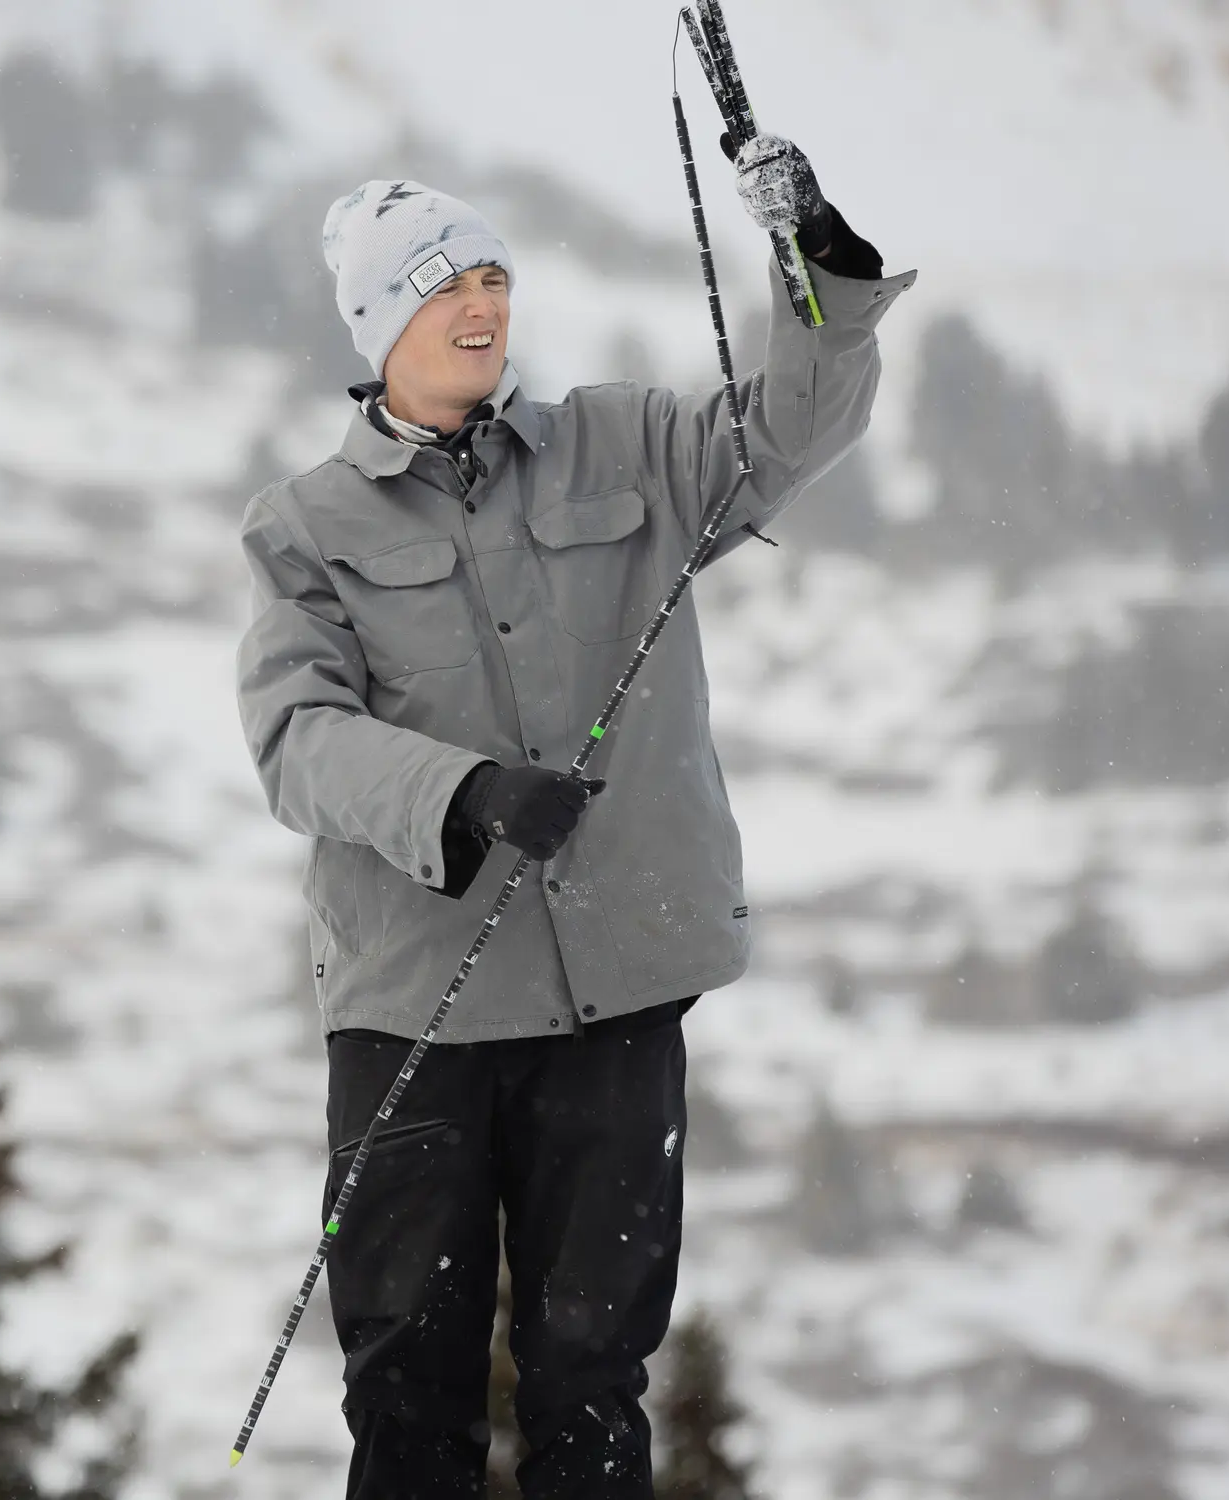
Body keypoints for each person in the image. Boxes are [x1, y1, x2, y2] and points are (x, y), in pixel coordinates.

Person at [233, 140, 914, 1499]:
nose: (480, 308)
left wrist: (817, 264)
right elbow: (292, 739)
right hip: (411, 1013)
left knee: (591, 1384)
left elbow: (786, 431)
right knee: (406, 1393)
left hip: (618, 998)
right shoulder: (303, 528)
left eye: (492, 277)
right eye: (443, 290)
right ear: (381, 327)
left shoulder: (628, 445)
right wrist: (463, 794)